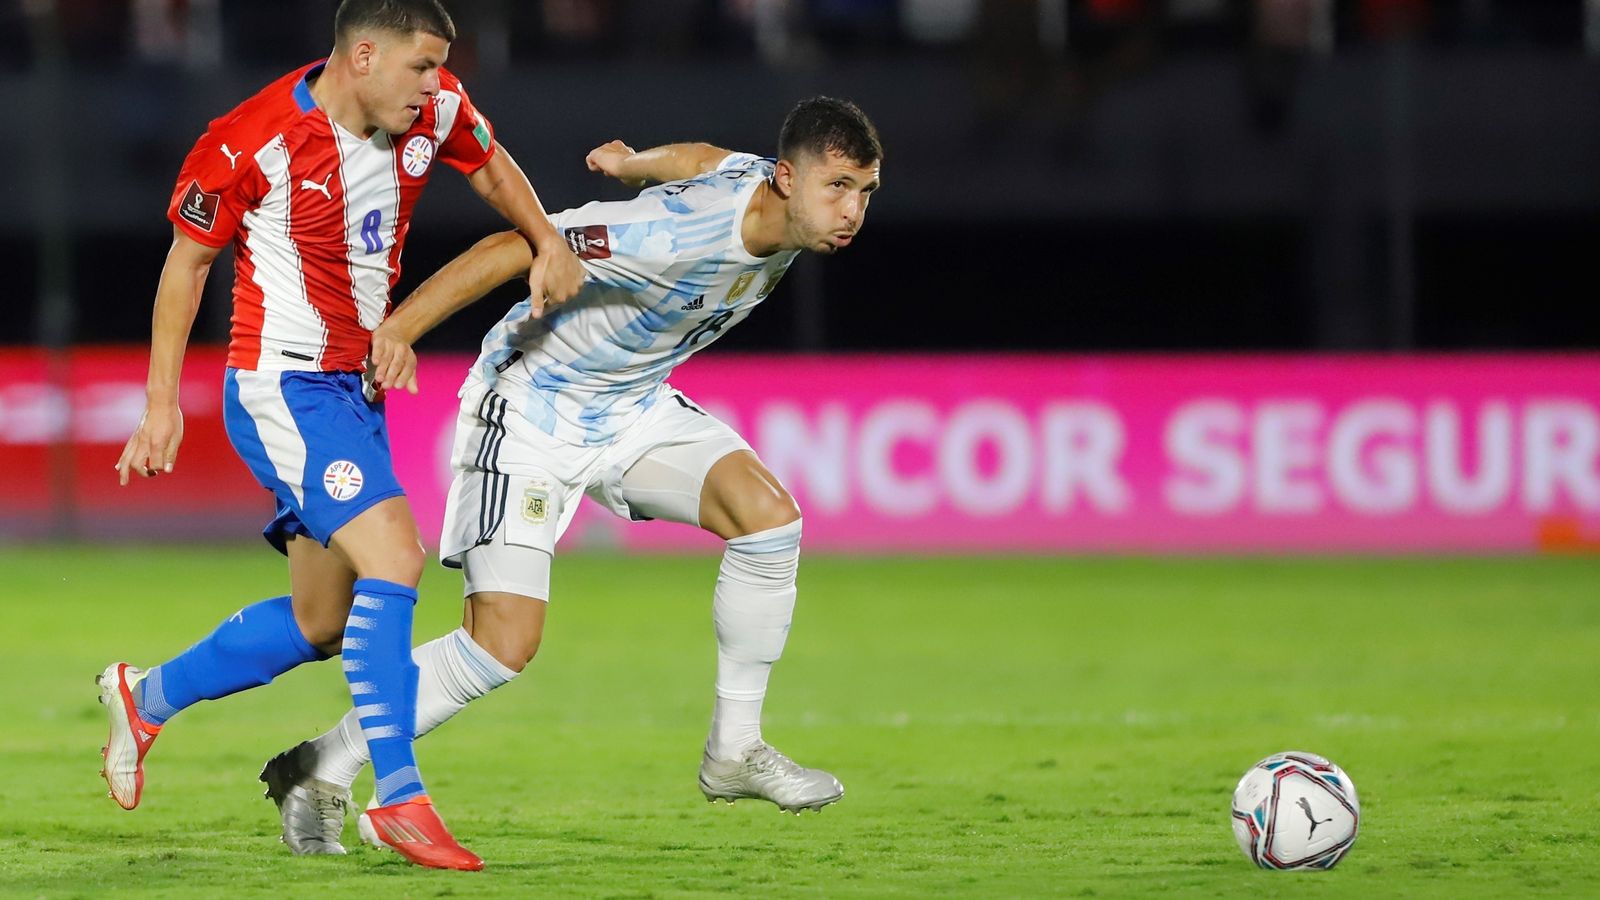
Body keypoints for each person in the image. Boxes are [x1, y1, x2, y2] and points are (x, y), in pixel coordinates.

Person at [258, 96, 884, 854]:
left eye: (865, 191)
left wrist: (634, 161)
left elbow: (704, 159)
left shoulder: (763, 192)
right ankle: (322, 765)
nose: (852, 211)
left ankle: (734, 750)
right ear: (787, 178)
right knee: (501, 646)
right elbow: (519, 244)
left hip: (630, 407)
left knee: (769, 518)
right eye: (837, 187)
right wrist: (397, 332)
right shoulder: (673, 233)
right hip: (531, 410)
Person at [97, 0, 584, 872]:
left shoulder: (433, 110)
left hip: (353, 391)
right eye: (422, 66)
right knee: (395, 557)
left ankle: (145, 698)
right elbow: (187, 263)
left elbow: (491, 165)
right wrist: (160, 404)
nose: (436, 85)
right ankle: (399, 796)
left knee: (322, 622)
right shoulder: (251, 139)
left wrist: (546, 238)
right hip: (282, 386)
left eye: (440, 67)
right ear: (362, 56)